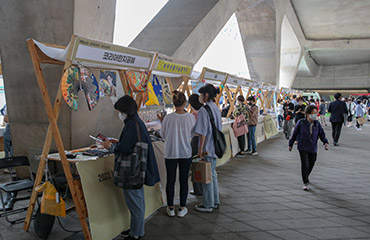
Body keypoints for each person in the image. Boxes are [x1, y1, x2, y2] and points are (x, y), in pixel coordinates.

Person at [102, 96, 160, 240]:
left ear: (125, 111)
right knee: (137, 202)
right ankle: (136, 229)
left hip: (132, 171)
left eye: (120, 111)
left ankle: (136, 234)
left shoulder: (132, 124)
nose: (119, 114)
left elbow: (125, 147)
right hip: (138, 170)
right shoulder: (136, 122)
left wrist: (110, 146)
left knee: (136, 204)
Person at [159, 91, 196, 218]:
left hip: (170, 152)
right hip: (185, 152)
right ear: (185, 102)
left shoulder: (168, 118)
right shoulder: (191, 117)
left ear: (173, 103)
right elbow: (192, 134)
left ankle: (170, 207)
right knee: (183, 180)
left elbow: (163, 135)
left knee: (170, 180)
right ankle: (182, 207)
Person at [193, 84, 221, 213]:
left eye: (201, 94)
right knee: (213, 175)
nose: (200, 97)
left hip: (207, 148)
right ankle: (215, 201)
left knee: (207, 176)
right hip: (215, 147)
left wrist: (200, 150)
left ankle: (208, 204)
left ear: (206, 95)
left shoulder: (204, 110)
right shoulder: (215, 108)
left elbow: (202, 132)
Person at [289, 105, 329, 191]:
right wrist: (291, 144)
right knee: (305, 164)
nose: (315, 115)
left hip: (312, 146)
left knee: (312, 161)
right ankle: (305, 182)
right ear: (307, 114)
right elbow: (295, 133)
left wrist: (325, 142)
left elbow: (321, 134)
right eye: (313, 113)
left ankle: (306, 175)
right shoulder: (301, 122)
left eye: (316, 113)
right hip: (302, 146)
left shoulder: (317, 124)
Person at [188, 94, 204, 196]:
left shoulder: (194, 115)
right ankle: (203, 188)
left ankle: (198, 189)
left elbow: (191, 130)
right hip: (204, 140)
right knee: (202, 165)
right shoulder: (204, 111)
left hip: (196, 139)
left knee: (195, 165)